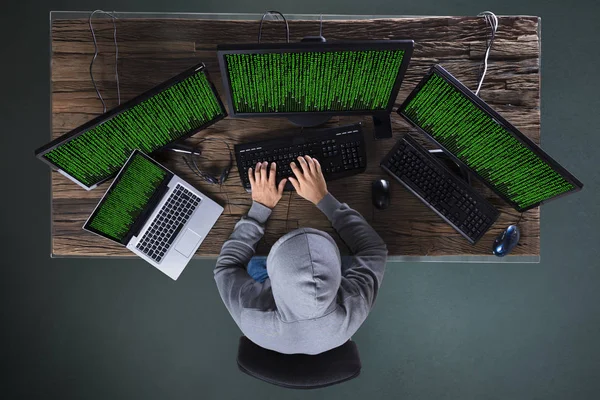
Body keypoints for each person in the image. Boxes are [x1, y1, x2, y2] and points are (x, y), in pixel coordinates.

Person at [214, 155, 388, 355]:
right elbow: (374, 250)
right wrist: (323, 198)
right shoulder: (354, 305)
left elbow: (226, 267)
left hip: (269, 309)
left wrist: (260, 209)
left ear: (274, 270)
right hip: (328, 327)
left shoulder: (253, 316)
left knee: (254, 263)